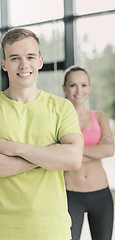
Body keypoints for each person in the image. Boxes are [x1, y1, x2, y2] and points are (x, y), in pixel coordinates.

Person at [0, 28, 83, 240]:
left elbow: (73, 159)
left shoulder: (62, 108)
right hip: (1, 232)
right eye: (14, 58)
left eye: (30, 57)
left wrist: (16, 149)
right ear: (4, 64)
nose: (23, 65)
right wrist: (49, 156)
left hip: (53, 231)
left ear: (40, 61)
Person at [63, 66, 114, 240]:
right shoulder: (58, 119)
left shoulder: (100, 117)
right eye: (73, 85)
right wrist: (95, 151)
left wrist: (71, 152)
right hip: (70, 195)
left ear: (90, 88)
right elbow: (56, 156)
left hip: (101, 195)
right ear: (64, 88)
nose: (79, 91)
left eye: (84, 85)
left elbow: (109, 150)